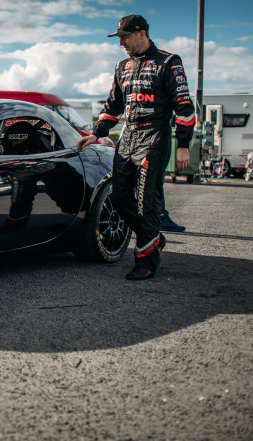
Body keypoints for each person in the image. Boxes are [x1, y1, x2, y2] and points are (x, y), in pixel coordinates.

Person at [77, 14, 196, 280]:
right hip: (128, 137)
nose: (121, 43)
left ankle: (146, 260)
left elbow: (184, 107)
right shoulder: (122, 67)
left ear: (142, 33)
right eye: (119, 38)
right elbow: (113, 106)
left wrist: (183, 145)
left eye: (125, 37)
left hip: (155, 137)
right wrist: (96, 134)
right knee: (119, 198)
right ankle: (153, 237)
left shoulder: (169, 62)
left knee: (146, 203)